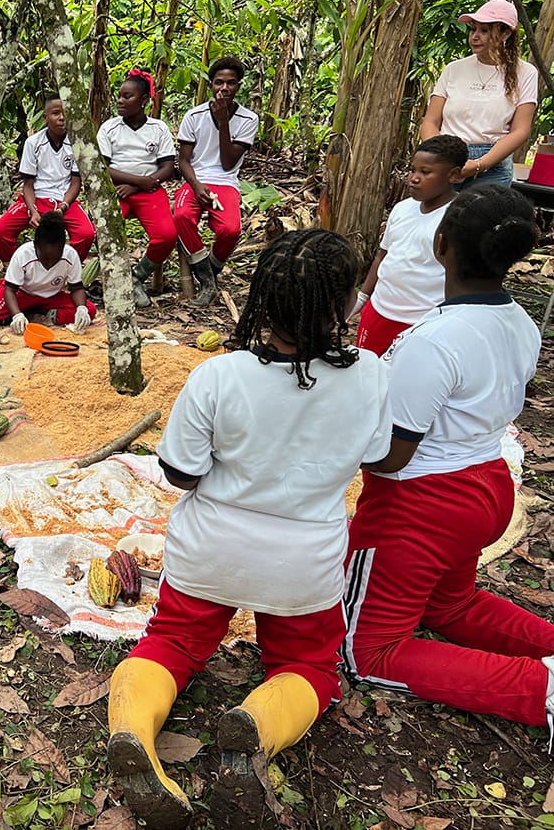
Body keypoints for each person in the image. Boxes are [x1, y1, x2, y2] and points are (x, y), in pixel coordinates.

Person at [107, 229, 391, 828]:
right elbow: (381, 458)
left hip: (209, 552)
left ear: (262, 296)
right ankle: (255, 731)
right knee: (308, 666)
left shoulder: (219, 375)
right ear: (344, 305)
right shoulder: (369, 375)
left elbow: (181, 473)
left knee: (171, 644)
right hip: (303, 565)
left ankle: (133, 729)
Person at [343, 185, 554, 733]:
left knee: (368, 651)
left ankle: (543, 689)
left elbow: (391, 458)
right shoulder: (522, 324)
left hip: (421, 505)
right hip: (485, 485)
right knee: (450, 606)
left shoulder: (434, 341)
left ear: (441, 245)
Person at [352, 135, 468, 356]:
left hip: (421, 320)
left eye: (425, 173)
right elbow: (382, 256)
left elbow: (459, 276)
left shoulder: (458, 218)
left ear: (453, 175)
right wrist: (363, 297)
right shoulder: (402, 208)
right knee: (367, 370)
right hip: (379, 310)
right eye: (413, 170)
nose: (414, 178)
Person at [420, 0, 538, 189]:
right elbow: (430, 121)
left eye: (484, 31)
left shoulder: (525, 72)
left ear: (506, 33)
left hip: (492, 165)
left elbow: (520, 130)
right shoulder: (454, 69)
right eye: (473, 29)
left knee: (481, 217)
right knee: (437, 218)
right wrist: (440, 156)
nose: (475, 36)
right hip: (446, 159)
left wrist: (479, 164)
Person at [173, 57, 259, 306]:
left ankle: (208, 269)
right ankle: (208, 282)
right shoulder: (194, 115)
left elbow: (228, 163)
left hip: (225, 181)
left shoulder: (247, 119)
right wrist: (197, 186)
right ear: (211, 85)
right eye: (219, 82)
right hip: (196, 179)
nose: (224, 88)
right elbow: (184, 161)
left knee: (230, 230)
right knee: (181, 217)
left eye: (231, 83)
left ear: (238, 86)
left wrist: (223, 122)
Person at [96, 69, 177, 308]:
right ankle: (114, 281)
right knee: (103, 231)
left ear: (143, 101)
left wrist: (140, 184)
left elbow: (167, 167)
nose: (120, 101)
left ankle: (136, 277)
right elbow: (103, 168)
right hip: (117, 189)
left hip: (149, 189)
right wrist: (136, 182)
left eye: (127, 97)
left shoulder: (158, 128)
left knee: (166, 236)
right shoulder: (109, 128)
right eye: (119, 96)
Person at [0, 94, 95, 265]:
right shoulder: (33, 143)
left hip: (64, 200)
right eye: (56, 113)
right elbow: (28, 185)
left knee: (86, 234)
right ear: (46, 118)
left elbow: (76, 183)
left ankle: (63, 270)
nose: (61, 118)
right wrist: (33, 210)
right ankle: (17, 269)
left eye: (65, 113)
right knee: (0, 231)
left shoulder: (76, 143)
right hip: (35, 199)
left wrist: (63, 207)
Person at [0, 211, 95, 331]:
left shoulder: (70, 255)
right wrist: (16, 315)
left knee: (90, 310)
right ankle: (20, 314)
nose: (50, 263)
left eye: (55, 259)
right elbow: (10, 290)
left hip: (51, 297)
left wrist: (81, 308)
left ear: (63, 247)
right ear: (36, 246)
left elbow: (77, 288)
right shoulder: (23, 254)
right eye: (45, 258)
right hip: (22, 294)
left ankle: (42, 314)